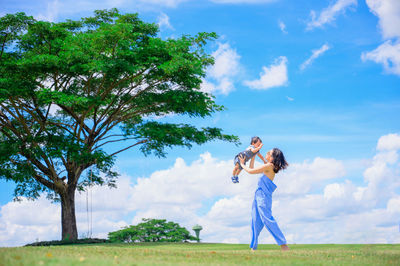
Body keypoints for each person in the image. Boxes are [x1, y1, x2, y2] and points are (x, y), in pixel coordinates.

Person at [238, 148, 289, 251]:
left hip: (263, 196)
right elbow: (252, 167)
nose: (266, 153)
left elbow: (250, 171)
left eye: (269, 153)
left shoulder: (269, 166)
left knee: (267, 219)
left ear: (273, 157)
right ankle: (253, 248)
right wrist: (253, 157)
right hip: (258, 196)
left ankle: (284, 245)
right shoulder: (268, 165)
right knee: (255, 221)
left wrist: (242, 164)